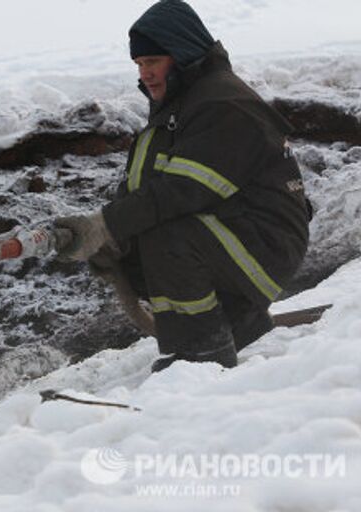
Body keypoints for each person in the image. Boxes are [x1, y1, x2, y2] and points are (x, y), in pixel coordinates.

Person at [54, 0, 311, 372]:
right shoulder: (181, 104)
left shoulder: (224, 105)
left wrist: (105, 224)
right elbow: (144, 186)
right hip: (239, 233)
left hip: (268, 244)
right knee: (138, 241)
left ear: (183, 54)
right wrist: (111, 239)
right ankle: (240, 325)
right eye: (140, 65)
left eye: (153, 62)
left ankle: (202, 354)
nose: (145, 74)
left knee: (168, 234)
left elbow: (180, 191)